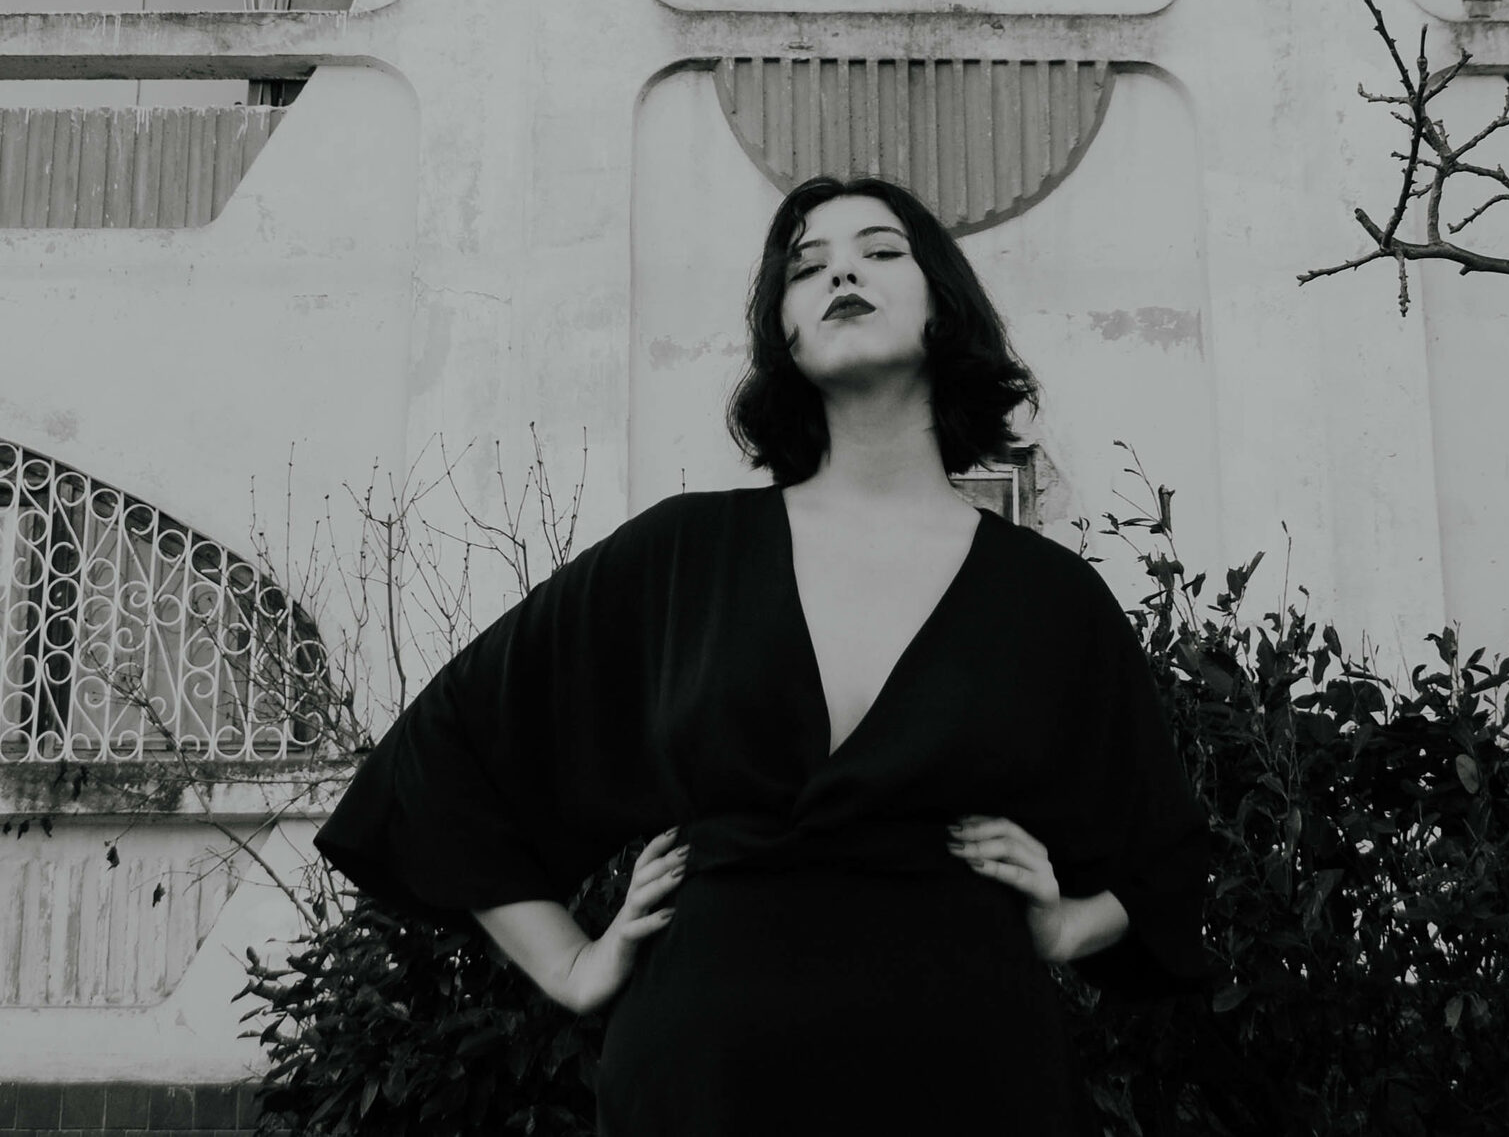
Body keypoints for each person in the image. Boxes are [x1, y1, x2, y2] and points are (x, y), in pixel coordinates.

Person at [316, 175, 1214, 1135]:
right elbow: (444, 755)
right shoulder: (682, 555)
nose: (842, 274)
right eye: (806, 266)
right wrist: (570, 962)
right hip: (702, 1080)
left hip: (975, 1075)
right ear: (783, 330)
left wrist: (1069, 923)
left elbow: (1162, 852)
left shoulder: (1049, 596)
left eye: (880, 251)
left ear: (943, 303)